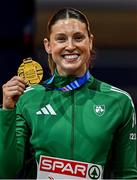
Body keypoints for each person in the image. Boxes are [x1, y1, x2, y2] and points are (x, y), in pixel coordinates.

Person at [0, 7, 137, 179]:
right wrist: (7, 111)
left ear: (90, 42)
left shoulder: (119, 101)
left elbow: (128, 174)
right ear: (48, 46)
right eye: (61, 39)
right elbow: (6, 172)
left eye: (78, 38)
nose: (70, 46)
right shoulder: (28, 98)